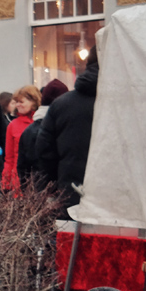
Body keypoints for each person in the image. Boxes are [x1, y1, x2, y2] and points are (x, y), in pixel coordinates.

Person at [37, 51, 99, 214]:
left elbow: (45, 152)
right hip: (118, 198)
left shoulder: (61, 105)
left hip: (71, 191)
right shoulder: (126, 104)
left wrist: (51, 187)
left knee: (72, 238)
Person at [16, 79, 68, 185]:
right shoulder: (63, 128)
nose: (18, 105)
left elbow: (22, 167)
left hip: (37, 191)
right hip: (60, 191)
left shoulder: (29, 130)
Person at [0, 84, 40, 192]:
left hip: (40, 177)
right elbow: (9, 158)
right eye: (16, 102)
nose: (17, 105)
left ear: (33, 102)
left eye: (21, 102)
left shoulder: (42, 122)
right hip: (18, 179)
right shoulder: (13, 125)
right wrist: (6, 182)